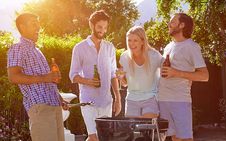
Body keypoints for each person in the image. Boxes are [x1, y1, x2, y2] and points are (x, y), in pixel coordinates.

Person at [7, 13, 68, 141]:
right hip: (40, 108)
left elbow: (48, 80)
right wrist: (45, 77)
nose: (38, 27)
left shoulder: (37, 51)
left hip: (54, 106)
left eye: (38, 23)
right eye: (33, 24)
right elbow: (13, 77)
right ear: (22, 27)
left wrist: (60, 98)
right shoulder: (17, 49)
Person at [69, 10, 121, 141]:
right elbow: (73, 75)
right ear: (91, 25)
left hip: (106, 101)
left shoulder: (110, 47)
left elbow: (113, 74)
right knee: (94, 137)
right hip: (88, 101)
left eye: (105, 27)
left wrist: (118, 98)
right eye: (99, 27)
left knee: (102, 138)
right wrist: (87, 81)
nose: (102, 30)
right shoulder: (79, 48)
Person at [158, 13, 209, 141]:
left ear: (182, 25)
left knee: (185, 138)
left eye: (172, 22)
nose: (169, 24)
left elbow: (205, 75)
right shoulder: (169, 46)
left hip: (180, 100)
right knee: (174, 137)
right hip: (163, 99)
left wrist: (176, 73)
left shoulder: (192, 47)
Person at [117, 26, 162, 118]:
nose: (131, 44)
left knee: (147, 129)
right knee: (133, 131)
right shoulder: (124, 57)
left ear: (142, 41)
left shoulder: (154, 56)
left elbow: (167, 71)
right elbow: (125, 84)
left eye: (135, 40)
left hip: (150, 98)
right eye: (129, 40)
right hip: (132, 99)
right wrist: (120, 78)